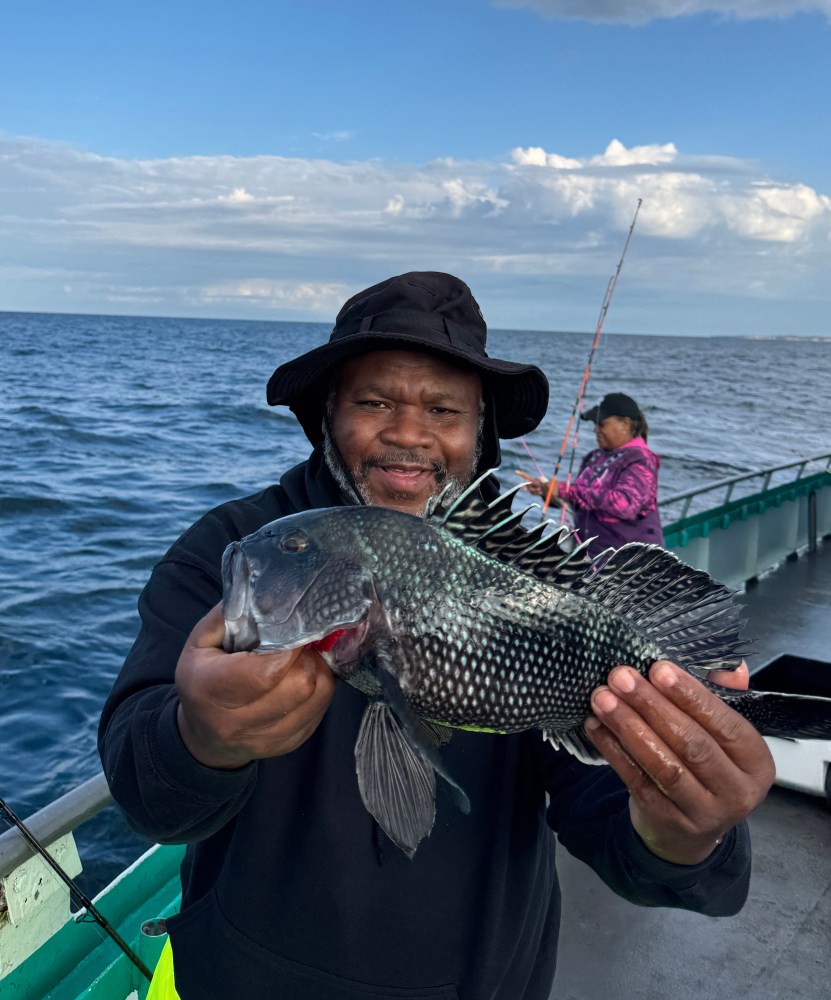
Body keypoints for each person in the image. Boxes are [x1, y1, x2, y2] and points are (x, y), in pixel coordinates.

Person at [99, 272, 773, 1000]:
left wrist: (684, 833)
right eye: (374, 401)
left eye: (444, 409)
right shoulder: (238, 549)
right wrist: (201, 738)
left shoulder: (532, 587)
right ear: (327, 415)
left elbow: (614, 823)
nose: (410, 433)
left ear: (477, 432)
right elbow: (149, 797)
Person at [520, 392, 663, 557]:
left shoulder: (641, 460)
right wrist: (547, 492)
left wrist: (563, 490)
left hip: (628, 565)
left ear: (625, 424)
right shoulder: (594, 457)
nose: (596, 429)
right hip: (591, 557)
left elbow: (625, 505)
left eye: (601, 424)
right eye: (595, 424)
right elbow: (579, 502)